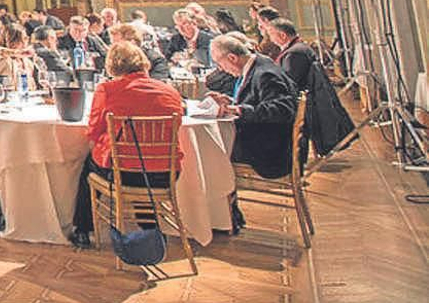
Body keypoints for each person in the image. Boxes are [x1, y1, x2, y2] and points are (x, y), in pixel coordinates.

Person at [69, 42, 184, 247]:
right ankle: (150, 229)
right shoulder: (170, 91)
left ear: (112, 65)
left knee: (89, 166)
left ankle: (82, 229)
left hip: (124, 172)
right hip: (166, 173)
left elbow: (93, 130)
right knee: (140, 163)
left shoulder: (108, 89)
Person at [206, 32, 299, 180]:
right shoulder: (258, 63)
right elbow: (258, 100)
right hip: (264, 139)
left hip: (271, 151)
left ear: (232, 58)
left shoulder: (265, 74)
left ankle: (223, 200)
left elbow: (282, 110)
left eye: (220, 63)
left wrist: (239, 109)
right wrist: (232, 102)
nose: (221, 69)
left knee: (208, 153)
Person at [267, 19, 354, 159]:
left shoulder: (294, 54)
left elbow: (290, 84)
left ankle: (288, 161)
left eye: (271, 34)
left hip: (305, 104)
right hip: (310, 98)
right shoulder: (300, 47)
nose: (270, 39)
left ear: (282, 36)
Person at [0, 24, 52, 89]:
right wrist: (16, 52)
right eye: (22, 39)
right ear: (11, 41)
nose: (25, 43)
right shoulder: (1, 59)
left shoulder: (27, 62)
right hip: (2, 97)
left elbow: (31, 87)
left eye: (26, 38)